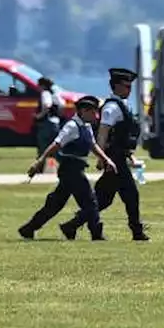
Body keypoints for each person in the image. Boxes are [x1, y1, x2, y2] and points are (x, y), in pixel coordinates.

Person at [59, 67, 149, 241]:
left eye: (130, 86)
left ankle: (72, 225)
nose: (129, 90)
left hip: (119, 157)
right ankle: (137, 231)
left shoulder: (122, 106)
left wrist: (129, 155)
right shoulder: (112, 108)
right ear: (116, 86)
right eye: (126, 86)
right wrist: (102, 158)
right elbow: (103, 132)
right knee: (130, 195)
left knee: (103, 199)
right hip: (114, 159)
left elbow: (122, 136)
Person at [17, 95, 116, 241]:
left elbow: (92, 145)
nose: (96, 116)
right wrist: (39, 162)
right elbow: (55, 145)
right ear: (83, 111)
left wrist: (106, 159)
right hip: (70, 170)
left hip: (76, 169)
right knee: (90, 202)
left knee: (55, 203)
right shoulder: (71, 127)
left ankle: (29, 229)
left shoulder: (86, 126)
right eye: (93, 112)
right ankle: (95, 233)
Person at [33, 76, 64, 155]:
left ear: (43, 85)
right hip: (56, 124)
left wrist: (39, 116)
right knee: (53, 150)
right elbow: (62, 105)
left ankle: (42, 166)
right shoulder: (55, 94)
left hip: (46, 124)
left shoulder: (45, 93)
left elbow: (47, 105)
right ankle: (51, 167)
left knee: (44, 149)